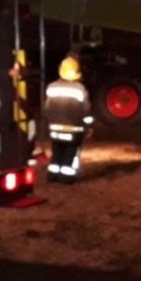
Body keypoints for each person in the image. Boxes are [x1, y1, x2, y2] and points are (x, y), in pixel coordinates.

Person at [44, 53, 92, 184]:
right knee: (70, 153)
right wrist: (89, 127)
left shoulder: (51, 87)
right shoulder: (80, 89)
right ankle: (66, 178)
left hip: (54, 128)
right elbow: (86, 111)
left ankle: (52, 176)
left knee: (57, 151)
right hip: (74, 129)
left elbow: (47, 108)